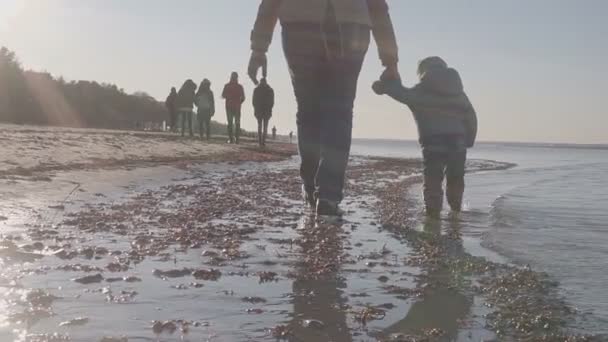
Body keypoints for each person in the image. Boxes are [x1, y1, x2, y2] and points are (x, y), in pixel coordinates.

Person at [248, 0, 400, 217]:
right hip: (350, 26)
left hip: (300, 25)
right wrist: (390, 61)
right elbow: (377, 7)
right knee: (340, 112)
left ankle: (311, 189)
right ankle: (328, 196)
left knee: (308, 110)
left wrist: (259, 48)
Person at [372, 56, 478, 218]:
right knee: (456, 177)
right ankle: (456, 212)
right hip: (458, 142)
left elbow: (402, 94)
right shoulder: (460, 94)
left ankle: (433, 215)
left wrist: (385, 87)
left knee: (433, 178)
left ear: (423, 72)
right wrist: (469, 140)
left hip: (433, 142)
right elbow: (471, 118)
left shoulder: (421, 91)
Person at [221, 72, 245, 144]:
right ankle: (236, 139)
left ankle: (231, 139)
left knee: (230, 123)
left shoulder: (227, 86)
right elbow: (243, 97)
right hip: (236, 106)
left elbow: (223, 95)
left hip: (229, 106)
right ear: (237, 77)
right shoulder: (239, 86)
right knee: (237, 123)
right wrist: (239, 103)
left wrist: (228, 97)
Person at [252, 77, 275, 147]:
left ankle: (261, 142)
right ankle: (262, 142)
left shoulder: (257, 90)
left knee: (262, 126)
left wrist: (256, 108)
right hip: (265, 111)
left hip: (262, 110)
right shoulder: (270, 90)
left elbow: (253, 101)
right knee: (264, 126)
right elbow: (272, 102)